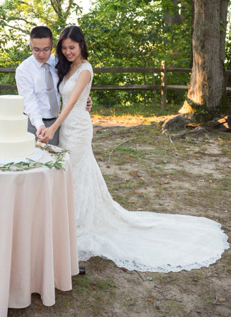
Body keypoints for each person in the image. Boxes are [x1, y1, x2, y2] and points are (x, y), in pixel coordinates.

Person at [38, 26, 229, 272]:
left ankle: (77, 223)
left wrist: (53, 127)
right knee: (76, 173)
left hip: (77, 129)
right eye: (64, 48)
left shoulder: (85, 69)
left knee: (76, 171)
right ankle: (70, 217)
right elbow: (69, 97)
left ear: (82, 46)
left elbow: (73, 101)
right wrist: (68, 117)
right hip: (67, 127)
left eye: (72, 48)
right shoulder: (65, 67)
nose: (67, 52)